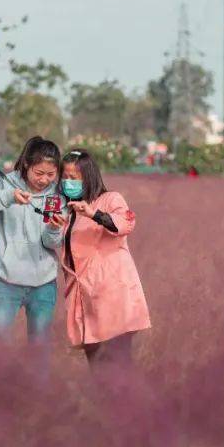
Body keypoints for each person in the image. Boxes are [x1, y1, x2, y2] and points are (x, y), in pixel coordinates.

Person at [44, 148, 150, 368]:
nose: (67, 182)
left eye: (73, 178)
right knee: (97, 368)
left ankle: (130, 402)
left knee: (118, 365)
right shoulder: (66, 209)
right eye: (64, 177)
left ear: (88, 176)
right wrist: (53, 227)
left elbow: (124, 224)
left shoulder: (110, 199)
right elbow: (53, 243)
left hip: (113, 298)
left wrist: (93, 214)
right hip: (84, 300)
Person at [0, 136, 67, 341]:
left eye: (51, 174)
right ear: (26, 165)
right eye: (38, 173)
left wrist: (53, 228)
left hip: (44, 284)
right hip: (5, 281)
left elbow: (52, 243)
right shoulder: (6, 183)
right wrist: (8, 197)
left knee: (39, 349)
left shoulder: (57, 196)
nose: (44, 180)